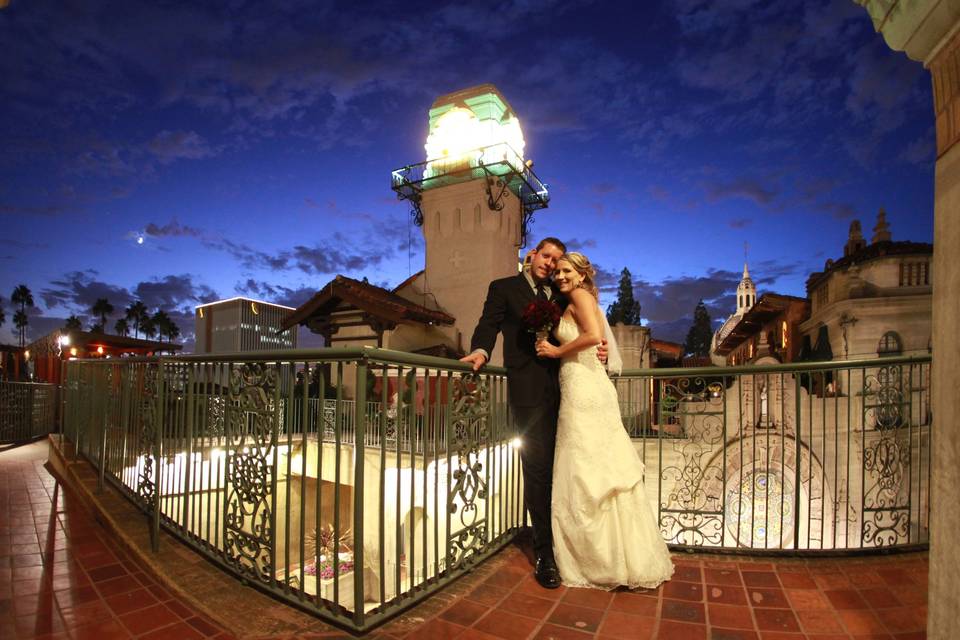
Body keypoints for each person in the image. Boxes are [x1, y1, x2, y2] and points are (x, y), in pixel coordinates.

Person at [535, 252, 673, 590]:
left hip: (584, 387)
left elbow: (594, 336)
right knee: (590, 464)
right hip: (581, 383)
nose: (561, 276)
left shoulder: (579, 297)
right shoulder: (575, 299)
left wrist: (554, 351)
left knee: (586, 465)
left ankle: (600, 559)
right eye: (559, 272)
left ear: (582, 276)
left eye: (568, 271)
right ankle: (612, 556)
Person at [460, 237, 569, 589]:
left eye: (556, 260)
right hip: (528, 391)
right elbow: (488, 324)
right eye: (546, 256)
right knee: (537, 470)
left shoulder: (561, 292)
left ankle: (566, 541)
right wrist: (480, 351)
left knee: (561, 467)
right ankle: (545, 554)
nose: (550, 264)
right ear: (532, 253)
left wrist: (596, 348)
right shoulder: (504, 287)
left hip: (566, 389)